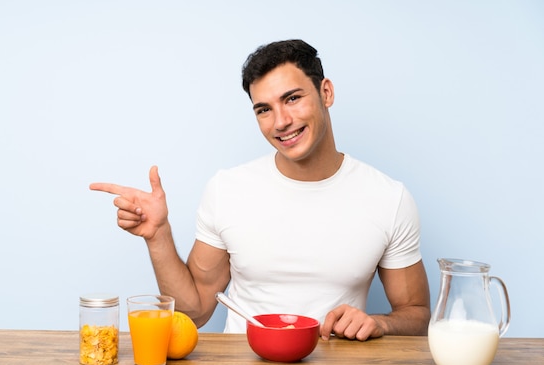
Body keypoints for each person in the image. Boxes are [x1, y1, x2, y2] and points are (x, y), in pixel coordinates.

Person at [90, 39, 430, 341]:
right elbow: (195, 312)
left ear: (326, 93)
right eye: (264, 109)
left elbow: (416, 313)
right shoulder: (227, 189)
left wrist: (380, 323)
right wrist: (158, 235)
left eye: (293, 98)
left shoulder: (388, 198)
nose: (280, 121)